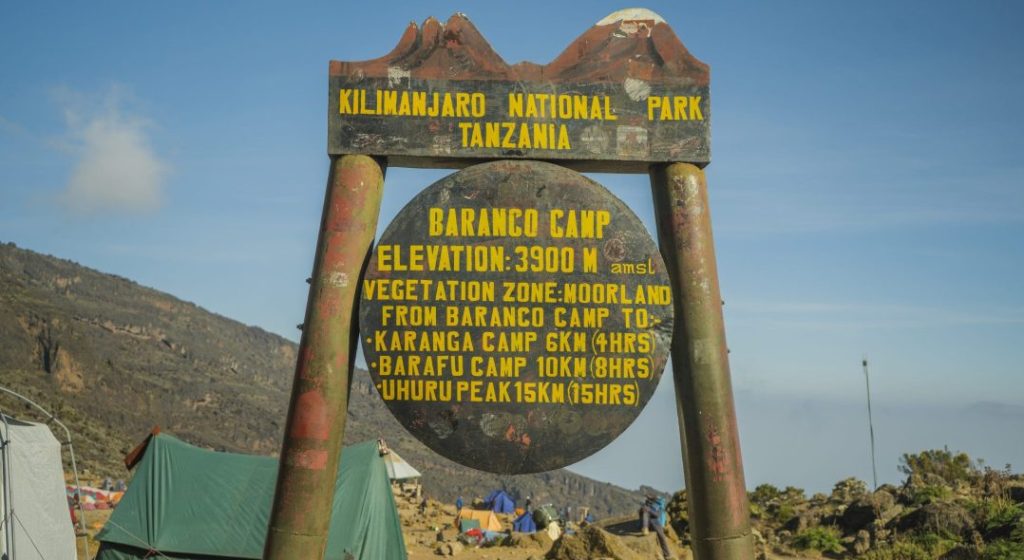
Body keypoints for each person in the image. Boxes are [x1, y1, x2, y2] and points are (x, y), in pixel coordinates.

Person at [641, 495, 675, 560]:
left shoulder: (659, 503)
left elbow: (660, 500)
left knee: (662, 537)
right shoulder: (647, 506)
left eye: (650, 499)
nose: (649, 500)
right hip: (651, 522)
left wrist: (651, 497)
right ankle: (645, 528)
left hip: (656, 520)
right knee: (645, 510)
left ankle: (667, 555)